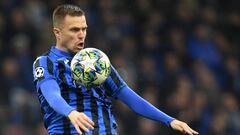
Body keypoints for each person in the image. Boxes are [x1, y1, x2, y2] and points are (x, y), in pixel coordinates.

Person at [33, 4, 199, 135]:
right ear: (58, 32)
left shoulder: (96, 60)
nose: (81, 34)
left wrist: (169, 120)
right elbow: (51, 95)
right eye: (75, 30)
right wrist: (71, 113)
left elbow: (127, 95)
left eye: (84, 29)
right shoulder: (45, 63)